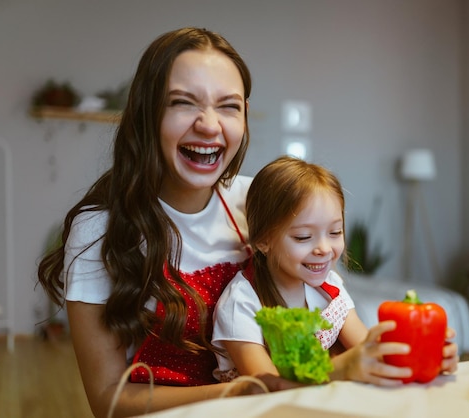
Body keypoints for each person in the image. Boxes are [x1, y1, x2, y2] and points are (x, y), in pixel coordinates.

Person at [36, 27, 299, 418]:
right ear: (147, 114)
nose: (209, 125)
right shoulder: (98, 230)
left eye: (229, 106)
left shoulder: (256, 203)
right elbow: (109, 399)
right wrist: (239, 393)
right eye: (182, 102)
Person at [212, 156, 459, 386]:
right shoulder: (241, 304)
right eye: (303, 236)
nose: (324, 249)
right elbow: (267, 387)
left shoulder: (330, 287)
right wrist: (339, 368)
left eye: (335, 232)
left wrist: (427, 357)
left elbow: (368, 352)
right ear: (263, 241)